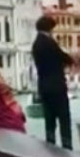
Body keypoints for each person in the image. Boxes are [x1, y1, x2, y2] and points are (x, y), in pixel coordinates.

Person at [31, 15, 73, 149]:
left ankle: (50, 147)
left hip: (44, 86)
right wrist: (71, 60)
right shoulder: (50, 43)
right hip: (57, 86)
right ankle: (67, 148)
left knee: (49, 120)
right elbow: (62, 57)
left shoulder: (36, 44)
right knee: (63, 118)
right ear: (49, 28)